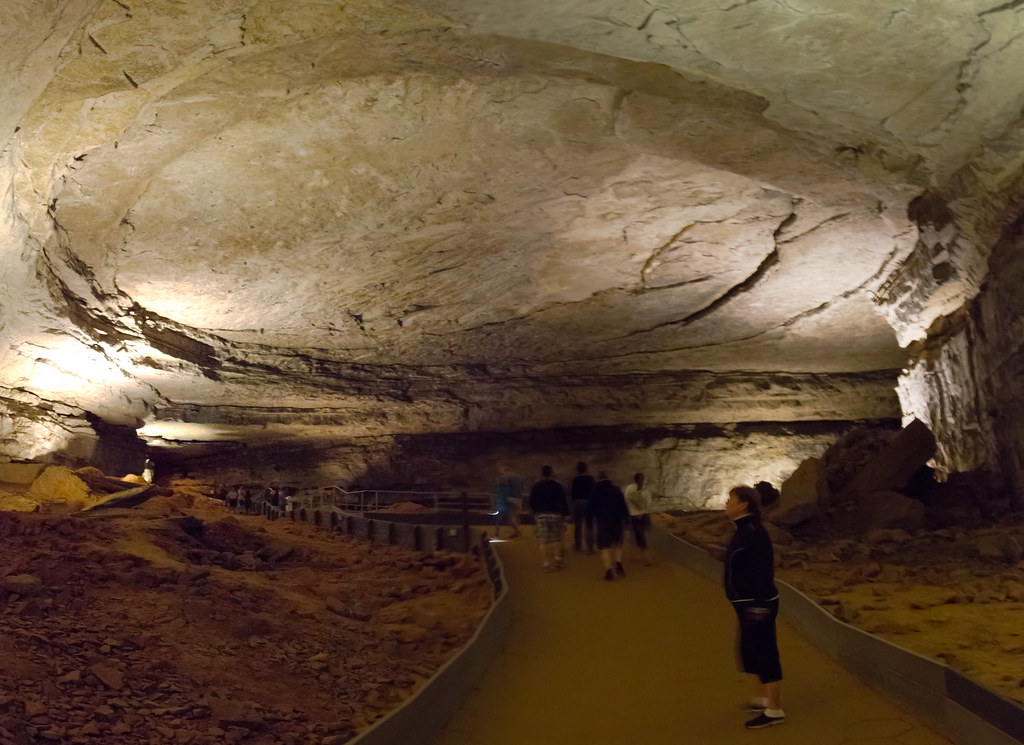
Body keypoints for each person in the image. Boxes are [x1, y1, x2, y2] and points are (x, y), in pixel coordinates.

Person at [722, 485, 785, 729]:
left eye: (731, 499)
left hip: (757, 604)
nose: (727, 503)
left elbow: (761, 571)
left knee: (764, 652)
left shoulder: (752, 532)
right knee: (750, 650)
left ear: (743, 505)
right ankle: (762, 698)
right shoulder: (744, 530)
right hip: (748, 604)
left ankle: (774, 710)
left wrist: (757, 606)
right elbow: (742, 562)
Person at [587, 471, 630, 581]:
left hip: (602, 521)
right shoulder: (616, 489)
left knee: (604, 547)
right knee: (618, 543)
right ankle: (619, 563)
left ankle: (609, 570)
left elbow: (590, 508)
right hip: (616, 520)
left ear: (598, 478)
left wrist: (589, 521)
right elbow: (623, 505)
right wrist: (626, 517)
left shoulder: (594, 491)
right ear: (608, 477)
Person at [528, 465, 569, 572]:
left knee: (543, 541)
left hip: (541, 515)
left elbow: (531, 501)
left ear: (542, 473)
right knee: (556, 538)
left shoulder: (536, 486)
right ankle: (557, 559)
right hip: (555, 514)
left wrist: (534, 512)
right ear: (551, 473)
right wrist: (566, 514)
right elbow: (563, 501)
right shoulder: (557, 485)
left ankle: (546, 563)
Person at [623, 472, 653, 565]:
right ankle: (645, 557)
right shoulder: (645, 490)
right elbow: (648, 503)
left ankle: (636, 555)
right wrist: (642, 512)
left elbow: (627, 501)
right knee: (642, 535)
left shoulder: (629, 489)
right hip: (640, 516)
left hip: (636, 516)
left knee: (638, 536)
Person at [569, 461, 596, 553]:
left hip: (578, 502)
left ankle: (578, 545)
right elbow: (594, 492)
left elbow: (573, 494)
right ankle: (590, 547)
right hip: (589, 502)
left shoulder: (575, 479)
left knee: (578, 525)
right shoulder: (591, 479)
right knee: (589, 525)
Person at [492, 464, 523, 539]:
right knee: (514, 516)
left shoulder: (506, 478)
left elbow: (500, 492)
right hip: (518, 497)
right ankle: (517, 531)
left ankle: (516, 533)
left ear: (504, 470)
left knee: (510, 517)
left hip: (510, 499)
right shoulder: (518, 477)